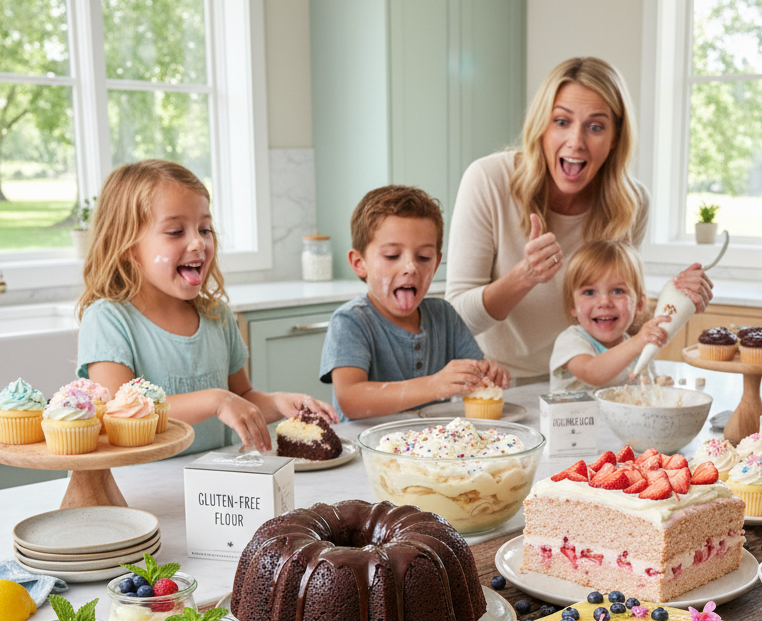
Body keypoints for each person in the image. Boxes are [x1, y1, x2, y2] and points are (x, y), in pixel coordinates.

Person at [446, 56, 713, 381]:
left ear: (615, 137)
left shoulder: (632, 203)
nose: (576, 141)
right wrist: (524, 276)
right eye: (561, 121)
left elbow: (621, 313)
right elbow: (456, 320)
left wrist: (677, 299)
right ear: (541, 127)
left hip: (587, 383)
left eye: (595, 127)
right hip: (499, 383)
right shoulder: (488, 180)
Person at [77, 159, 336, 453]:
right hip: (144, 478)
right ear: (126, 247)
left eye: (204, 229)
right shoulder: (108, 320)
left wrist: (277, 402)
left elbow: (241, 397)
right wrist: (215, 400)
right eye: (176, 231)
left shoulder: (217, 316)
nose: (198, 243)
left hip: (214, 477)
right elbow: (120, 411)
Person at [319, 185, 509, 420]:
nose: (411, 267)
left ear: (436, 263)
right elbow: (351, 400)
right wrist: (434, 385)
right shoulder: (350, 322)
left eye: (423, 257)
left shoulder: (444, 316)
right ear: (360, 263)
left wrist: (487, 373)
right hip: (367, 442)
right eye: (392, 255)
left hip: (430, 441)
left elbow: (475, 370)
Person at [550, 240, 673, 392]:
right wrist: (637, 342)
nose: (604, 302)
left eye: (617, 291)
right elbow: (591, 373)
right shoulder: (570, 341)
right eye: (589, 292)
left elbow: (648, 392)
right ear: (572, 305)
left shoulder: (639, 348)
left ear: (639, 304)